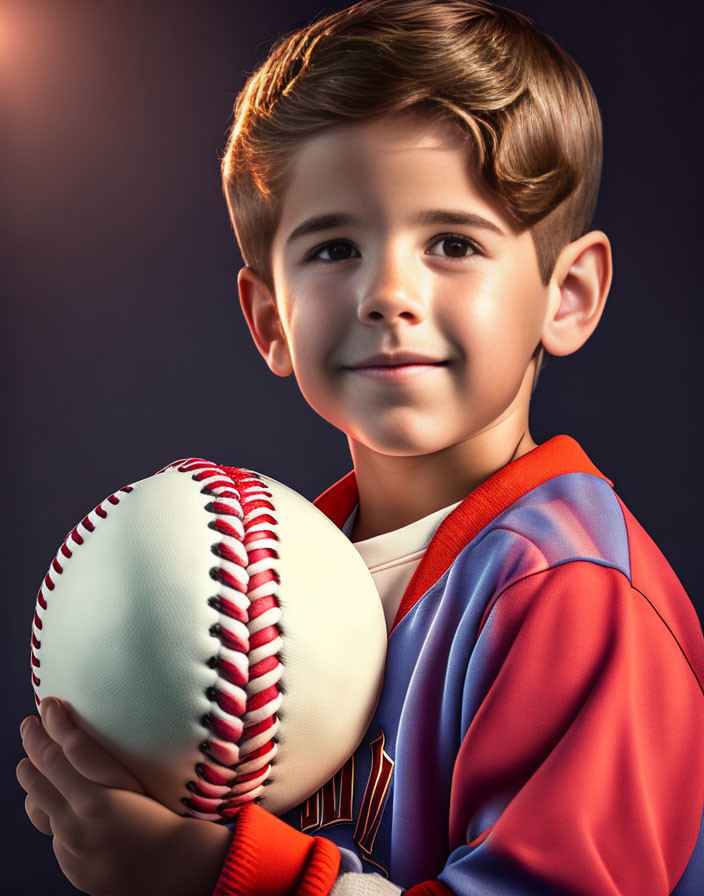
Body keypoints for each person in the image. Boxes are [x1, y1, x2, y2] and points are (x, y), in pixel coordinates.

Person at [17, 1, 704, 894]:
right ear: (271, 319)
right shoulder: (278, 573)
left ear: (566, 294)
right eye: (335, 246)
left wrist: (213, 874)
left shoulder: (571, 592)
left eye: (453, 243)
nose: (386, 292)